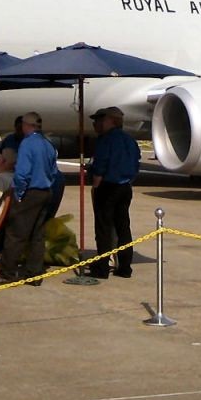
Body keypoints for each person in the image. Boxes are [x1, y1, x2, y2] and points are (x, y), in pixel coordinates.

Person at [0, 112, 58, 287]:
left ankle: (7, 272)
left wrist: (19, 193)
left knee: (15, 234)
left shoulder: (28, 144)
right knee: (37, 235)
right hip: (45, 191)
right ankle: (34, 273)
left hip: (30, 192)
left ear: (26, 125)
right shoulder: (48, 144)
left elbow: (22, 173)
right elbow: (53, 171)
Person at [86, 106, 141, 279]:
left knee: (103, 228)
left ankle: (102, 267)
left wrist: (96, 183)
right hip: (125, 187)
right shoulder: (129, 140)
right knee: (123, 226)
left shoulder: (106, 140)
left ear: (110, 121)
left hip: (108, 186)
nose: (96, 124)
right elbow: (136, 162)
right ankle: (125, 266)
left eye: (100, 120)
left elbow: (101, 163)